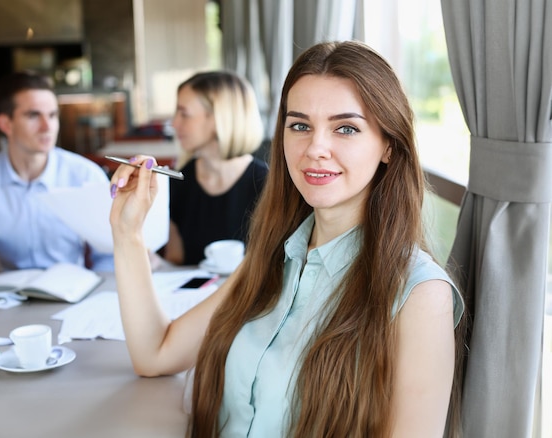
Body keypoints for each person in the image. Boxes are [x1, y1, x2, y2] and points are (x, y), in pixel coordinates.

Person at [109, 40, 465, 437]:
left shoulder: (420, 294)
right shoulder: (273, 256)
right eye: (300, 126)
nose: (315, 148)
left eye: (345, 128)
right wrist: (128, 233)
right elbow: (155, 353)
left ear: (388, 145)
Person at [0, 71, 113, 272]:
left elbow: (110, 256)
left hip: (73, 292)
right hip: (7, 297)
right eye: (33, 115)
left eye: (52, 115)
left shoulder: (85, 175)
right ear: (6, 124)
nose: (47, 126)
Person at [162, 71, 268, 266]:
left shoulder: (267, 186)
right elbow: (176, 261)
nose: (175, 123)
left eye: (184, 114)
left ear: (218, 119)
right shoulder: (177, 183)